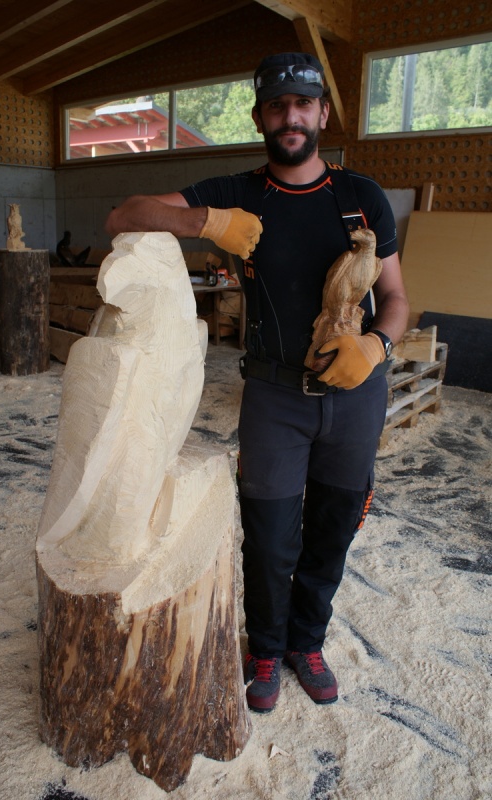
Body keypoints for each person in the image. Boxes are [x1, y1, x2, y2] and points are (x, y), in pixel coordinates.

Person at [106, 52, 409, 714]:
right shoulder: (237, 192)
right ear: (259, 118)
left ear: (321, 114)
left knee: (332, 529)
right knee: (269, 537)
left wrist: (376, 345)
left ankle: (307, 643)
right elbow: (122, 214)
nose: (290, 117)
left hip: (356, 397)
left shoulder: (361, 199)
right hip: (275, 398)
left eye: (303, 104)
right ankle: (266, 649)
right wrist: (205, 222)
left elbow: (395, 300)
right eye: (277, 106)